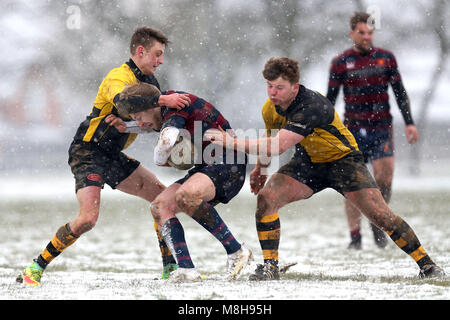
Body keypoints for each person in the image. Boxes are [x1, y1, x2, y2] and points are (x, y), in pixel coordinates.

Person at [205, 57, 445, 280]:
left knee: (381, 215)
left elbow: (278, 145)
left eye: (278, 87)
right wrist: (261, 169)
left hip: (344, 162)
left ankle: (427, 265)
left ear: (294, 87)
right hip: (308, 163)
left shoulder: (312, 105)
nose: (272, 92)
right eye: (269, 86)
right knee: (267, 199)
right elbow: (270, 139)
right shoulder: (270, 108)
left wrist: (231, 142)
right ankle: (270, 268)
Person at [16, 26, 192, 286]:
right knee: (87, 219)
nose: (160, 60)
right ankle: (34, 269)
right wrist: (165, 100)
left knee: (161, 200)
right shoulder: (117, 77)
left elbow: (148, 123)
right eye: (157, 54)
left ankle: (169, 268)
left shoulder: (150, 85)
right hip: (88, 151)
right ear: (140, 51)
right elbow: (124, 103)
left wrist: (134, 125)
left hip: (111, 154)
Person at [114, 82, 253, 282]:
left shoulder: (176, 105)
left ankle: (237, 251)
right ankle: (187, 270)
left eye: (139, 117)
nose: (140, 123)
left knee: (186, 195)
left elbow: (167, 140)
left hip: (230, 162)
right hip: (208, 166)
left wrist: (161, 161)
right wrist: (126, 126)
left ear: (152, 107)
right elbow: (151, 124)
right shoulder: (161, 108)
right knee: (159, 206)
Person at [326, 12, 419, 249]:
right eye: (362, 33)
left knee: (385, 177)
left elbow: (399, 92)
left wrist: (409, 122)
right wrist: (324, 128)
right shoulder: (340, 62)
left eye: (370, 33)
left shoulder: (386, 59)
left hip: (381, 128)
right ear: (352, 33)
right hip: (352, 131)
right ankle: (355, 237)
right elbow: (330, 100)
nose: (367, 37)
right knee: (352, 185)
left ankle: (378, 223)